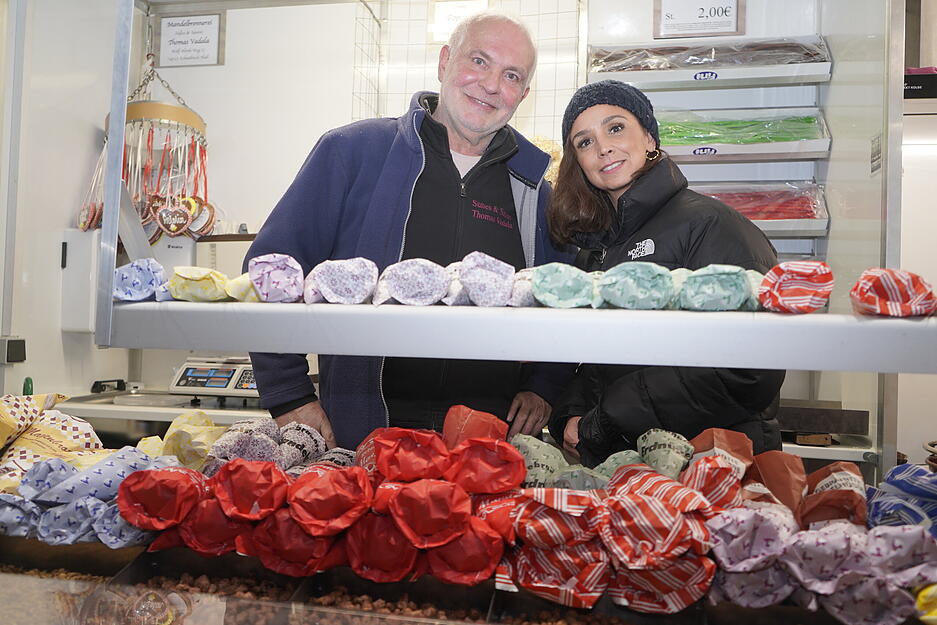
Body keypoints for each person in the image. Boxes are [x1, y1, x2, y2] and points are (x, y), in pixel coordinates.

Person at [245, 12, 574, 450]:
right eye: (478, 60)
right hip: (361, 430)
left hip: (485, 444)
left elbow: (566, 298)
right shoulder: (352, 153)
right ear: (444, 63)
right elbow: (269, 271)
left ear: (523, 94)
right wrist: (289, 395)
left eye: (511, 75)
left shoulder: (534, 190)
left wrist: (543, 386)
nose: (492, 84)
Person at [545, 80, 786, 467]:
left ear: (650, 137)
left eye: (616, 127)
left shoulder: (711, 224)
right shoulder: (597, 248)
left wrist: (605, 420)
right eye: (584, 141)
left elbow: (746, 368)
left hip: (713, 464)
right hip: (630, 465)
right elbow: (596, 358)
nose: (603, 146)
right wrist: (570, 414)